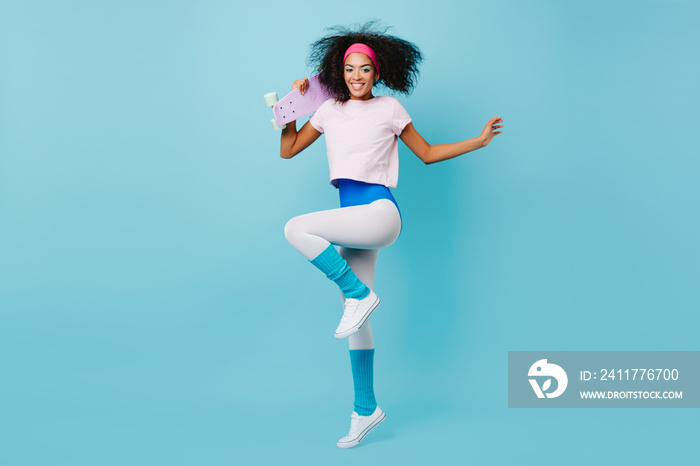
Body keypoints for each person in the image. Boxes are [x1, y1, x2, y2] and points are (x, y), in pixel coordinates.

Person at [280, 22, 503, 449]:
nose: (357, 76)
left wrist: (477, 142)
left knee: (297, 228)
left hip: (380, 214)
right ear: (338, 72)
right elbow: (288, 149)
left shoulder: (389, 111)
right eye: (349, 70)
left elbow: (428, 154)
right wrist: (292, 107)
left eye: (365, 69)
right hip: (354, 222)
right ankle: (366, 410)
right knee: (356, 323)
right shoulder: (326, 111)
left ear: (378, 73)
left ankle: (357, 293)